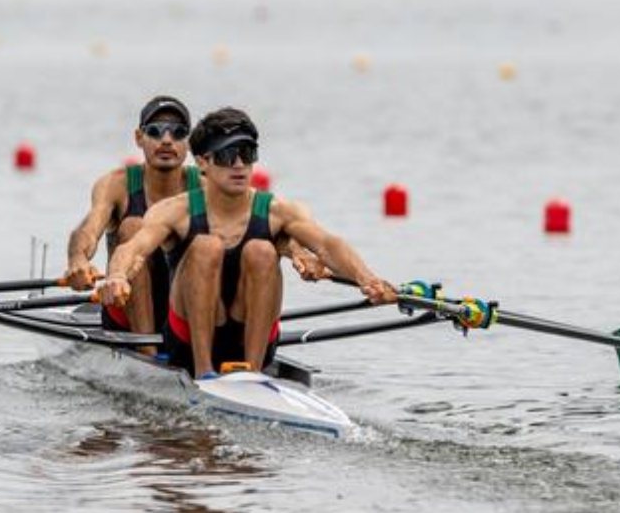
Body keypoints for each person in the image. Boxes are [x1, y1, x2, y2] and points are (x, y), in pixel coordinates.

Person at [99, 107, 397, 378]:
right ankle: (204, 371)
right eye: (228, 156)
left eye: (247, 153)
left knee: (262, 250)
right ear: (203, 162)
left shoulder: (279, 211)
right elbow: (132, 248)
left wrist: (367, 279)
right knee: (207, 246)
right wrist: (116, 276)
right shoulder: (176, 211)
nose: (239, 165)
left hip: (250, 335)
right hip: (187, 342)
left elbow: (329, 245)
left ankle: (253, 372)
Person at [65, 95, 201, 338]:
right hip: (124, 306)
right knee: (134, 225)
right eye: (156, 131)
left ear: (188, 143)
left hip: (183, 307)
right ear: (139, 138)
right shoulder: (116, 185)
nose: (167, 140)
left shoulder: (204, 187)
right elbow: (89, 229)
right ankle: (146, 349)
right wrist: (78, 260)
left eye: (178, 132)